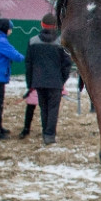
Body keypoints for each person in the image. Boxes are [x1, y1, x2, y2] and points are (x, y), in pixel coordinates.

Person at [24, 12, 73, 144]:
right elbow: (67, 64)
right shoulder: (60, 43)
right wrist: (62, 79)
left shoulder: (33, 41)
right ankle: (49, 135)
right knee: (53, 109)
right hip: (55, 81)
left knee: (43, 108)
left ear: (42, 25)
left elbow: (28, 64)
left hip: (39, 81)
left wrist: (30, 83)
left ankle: (45, 130)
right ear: (55, 26)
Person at [0, 18, 24, 140]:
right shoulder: (1, 41)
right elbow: (16, 56)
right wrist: (25, 57)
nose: (11, 31)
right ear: (5, 29)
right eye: (10, 29)